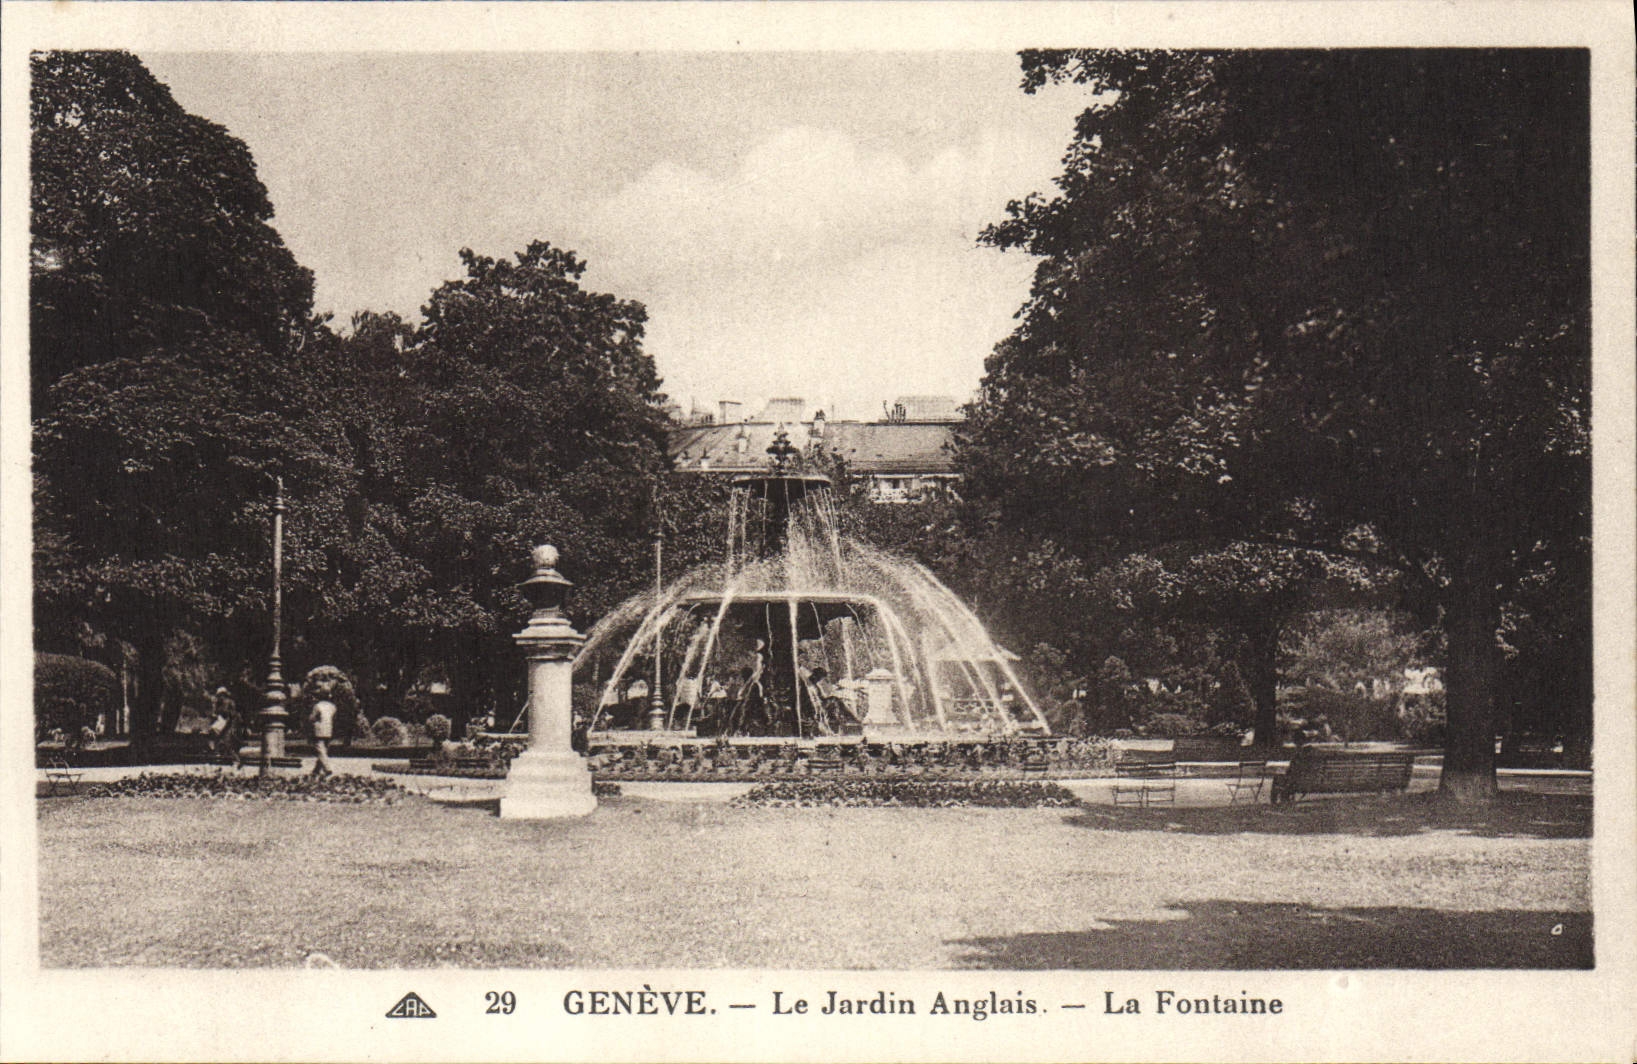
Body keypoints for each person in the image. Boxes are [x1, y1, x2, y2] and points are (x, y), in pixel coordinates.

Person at [208, 687, 242, 769]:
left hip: (230, 725)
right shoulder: (219, 703)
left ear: (224, 694)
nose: (219, 697)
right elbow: (216, 714)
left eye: (220, 695)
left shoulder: (229, 702)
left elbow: (232, 715)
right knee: (219, 739)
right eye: (218, 696)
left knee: (228, 743)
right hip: (223, 724)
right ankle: (220, 757)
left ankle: (236, 761)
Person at [309, 695, 337, 778]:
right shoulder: (332, 706)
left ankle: (327, 768)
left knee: (320, 750)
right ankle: (316, 770)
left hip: (319, 729)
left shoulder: (317, 706)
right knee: (324, 750)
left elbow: (312, 717)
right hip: (329, 729)